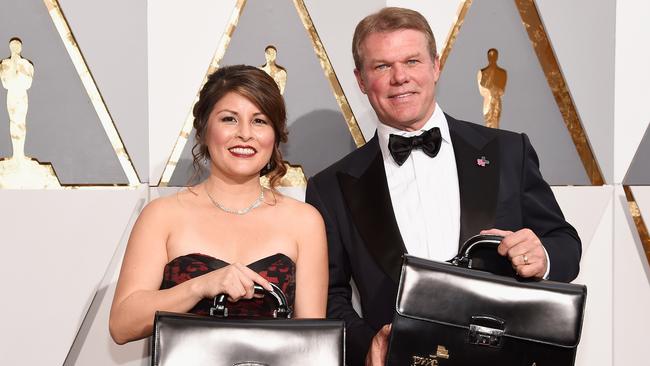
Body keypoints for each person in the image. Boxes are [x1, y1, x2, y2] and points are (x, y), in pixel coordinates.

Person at [305, 7, 581, 366]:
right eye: (382, 66)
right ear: (360, 80)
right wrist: (367, 346)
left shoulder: (509, 151)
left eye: (412, 61)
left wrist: (542, 255)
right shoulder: (330, 188)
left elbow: (565, 244)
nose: (400, 77)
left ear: (436, 66)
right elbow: (328, 295)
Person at [109, 65, 328, 344]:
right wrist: (200, 286)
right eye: (229, 119)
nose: (245, 134)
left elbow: (314, 344)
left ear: (275, 136)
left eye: (259, 121)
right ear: (203, 129)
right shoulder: (162, 216)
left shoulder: (305, 221)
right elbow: (122, 325)